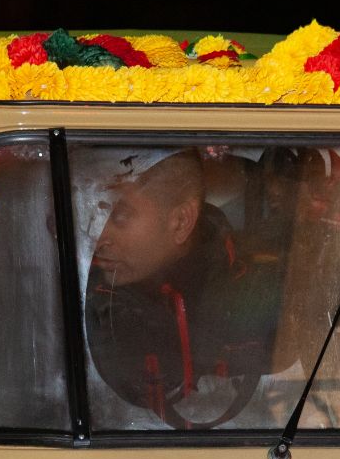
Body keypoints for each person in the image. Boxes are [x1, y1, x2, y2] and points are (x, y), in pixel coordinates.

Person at [85, 149, 272, 425]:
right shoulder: (82, 293)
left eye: (119, 216)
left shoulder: (254, 292)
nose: (98, 237)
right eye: (93, 212)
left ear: (181, 221)